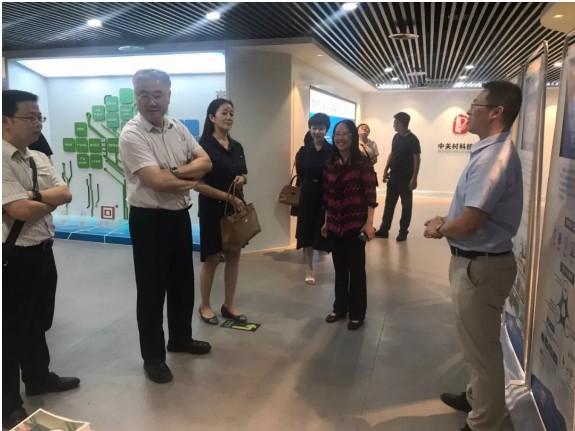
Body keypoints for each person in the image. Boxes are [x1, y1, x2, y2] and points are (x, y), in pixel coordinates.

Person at [423, 81, 523, 431]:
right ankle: (476, 398)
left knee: (482, 351)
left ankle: (485, 422)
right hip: (477, 264)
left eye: (475, 104)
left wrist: (440, 228)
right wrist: (448, 221)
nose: (469, 111)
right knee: (474, 344)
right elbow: (471, 213)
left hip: (481, 267)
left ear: (496, 112)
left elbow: (472, 220)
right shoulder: (488, 151)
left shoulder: (494, 157)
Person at [119, 69, 213, 384]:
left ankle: (180, 339)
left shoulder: (177, 127)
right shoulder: (132, 134)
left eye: (157, 94)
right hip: (149, 221)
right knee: (151, 291)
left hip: (179, 217)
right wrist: (188, 176)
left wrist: (172, 171)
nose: (151, 101)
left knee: (182, 285)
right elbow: (155, 182)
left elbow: (206, 162)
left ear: (168, 96)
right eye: (143, 94)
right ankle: (153, 357)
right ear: (136, 96)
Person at [2, 90, 79, 429]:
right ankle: (8, 404)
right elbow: (19, 210)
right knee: (11, 330)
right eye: (29, 117)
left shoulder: (37, 157)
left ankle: (38, 378)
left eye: (39, 117)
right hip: (13, 255)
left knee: (39, 321)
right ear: (5, 121)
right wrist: (43, 200)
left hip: (43, 250)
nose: (37, 123)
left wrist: (34, 196)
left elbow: (66, 192)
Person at [195, 98, 248, 325]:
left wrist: (242, 178)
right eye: (224, 113)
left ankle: (229, 304)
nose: (229, 117)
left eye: (231, 114)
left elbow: (244, 173)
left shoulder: (237, 147)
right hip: (212, 210)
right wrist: (228, 197)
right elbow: (197, 184)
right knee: (213, 258)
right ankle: (205, 306)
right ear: (211, 117)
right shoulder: (202, 148)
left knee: (234, 256)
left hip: (235, 210)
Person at [321, 120, 378, 331]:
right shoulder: (330, 163)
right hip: (335, 224)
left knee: (356, 270)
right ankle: (340, 307)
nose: (340, 138)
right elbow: (327, 195)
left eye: (345, 134)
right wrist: (326, 222)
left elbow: (370, 195)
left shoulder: (362, 162)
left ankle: (357, 313)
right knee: (340, 268)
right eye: (337, 134)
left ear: (352, 136)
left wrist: (369, 224)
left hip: (355, 224)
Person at [295, 113, 333, 285]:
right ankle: (309, 268)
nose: (317, 131)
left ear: (326, 129)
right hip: (308, 194)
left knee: (326, 230)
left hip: (327, 194)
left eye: (321, 128)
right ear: (310, 129)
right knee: (306, 231)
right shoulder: (303, 152)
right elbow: (302, 174)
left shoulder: (332, 151)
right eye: (314, 128)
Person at [374, 112, 421, 241]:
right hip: (393, 176)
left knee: (406, 206)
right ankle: (384, 230)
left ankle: (403, 232)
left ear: (400, 123)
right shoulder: (396, 137)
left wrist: (414, 178)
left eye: (395, 122)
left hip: (406, 179)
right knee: (389, 205)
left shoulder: (413, 140)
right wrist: (385, 169)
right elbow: (392, 153)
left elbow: (417, 159)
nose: (393, 125)